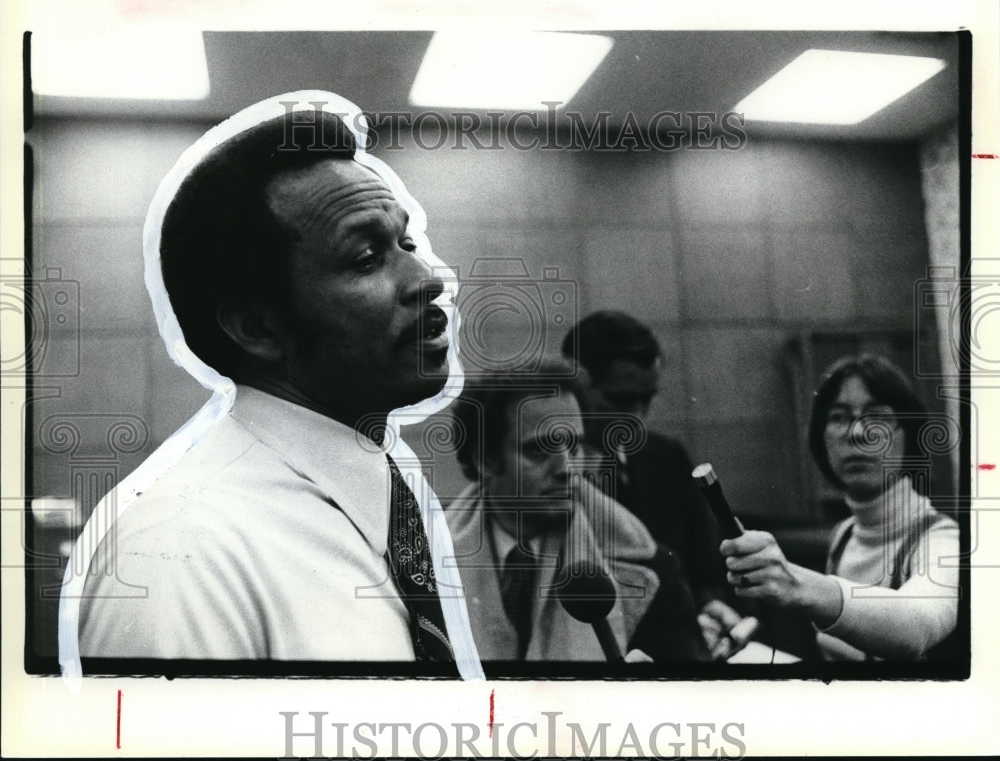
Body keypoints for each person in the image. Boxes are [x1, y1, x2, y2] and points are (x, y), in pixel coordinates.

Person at [65, 92, 482, 677]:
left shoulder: (388, 506)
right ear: (258, 327)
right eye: (365, 258)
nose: (427, 279)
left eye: (406, 244)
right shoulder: (180, 555)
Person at [446, 362, 709, 663]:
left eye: (574, 447)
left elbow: (693, 692)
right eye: (539, 450)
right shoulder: (420, 564)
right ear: (486, 461)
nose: (567, 469)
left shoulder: (649, 568)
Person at [721, 354, 959, 661]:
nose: (857, 433)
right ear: (821, 438)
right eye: (839, 417)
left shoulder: (942, 539)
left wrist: (797, 585)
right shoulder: (844, 536)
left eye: (877, 417)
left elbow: (919, 625)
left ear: (909, 436)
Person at [561, 310, 745, 658]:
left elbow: (706, 568)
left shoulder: (667, 457)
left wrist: (710, 611)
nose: (638, 417)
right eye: (621, 400)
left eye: (647, 399)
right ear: (578, 384)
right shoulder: (545, 478)